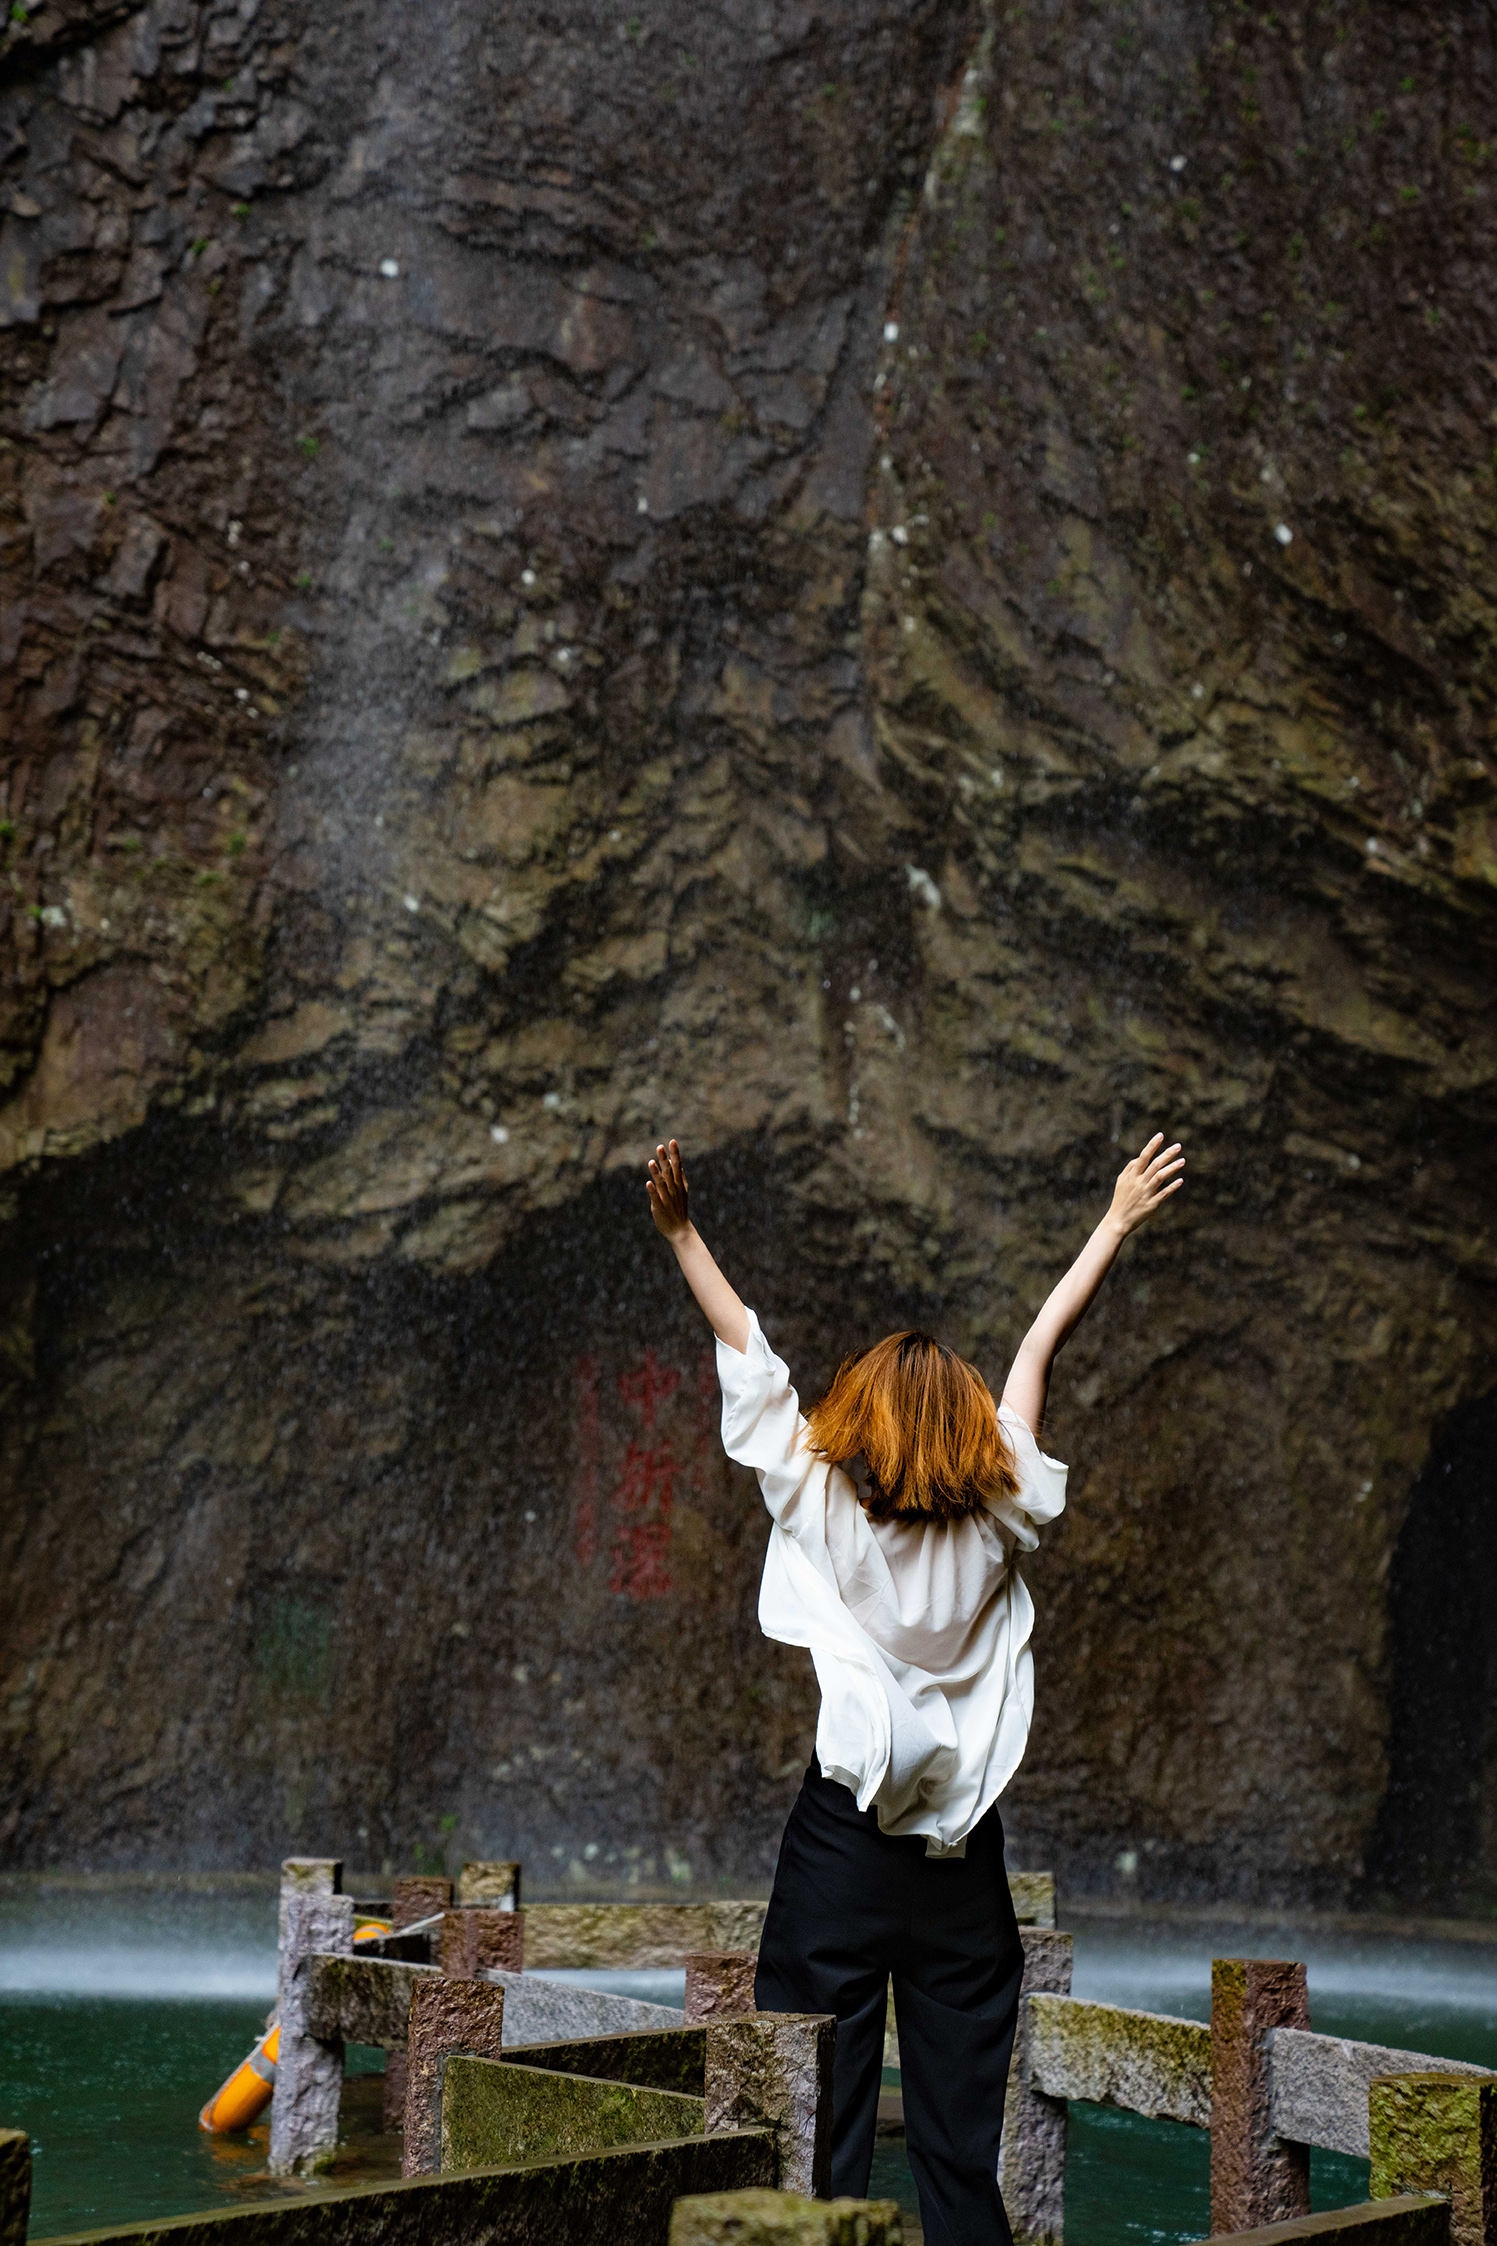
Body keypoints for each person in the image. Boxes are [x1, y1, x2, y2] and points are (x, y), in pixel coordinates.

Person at [645, 1130, 1185, 2246]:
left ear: (864, 1416)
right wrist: (1116, 1222)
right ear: (965, 1424)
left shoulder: (823, 1500)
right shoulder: (1002, 1517)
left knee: (815, 2130)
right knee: (957, 2150)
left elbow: (751, 1354)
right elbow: (1042, 1342)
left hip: (841, 1850)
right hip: (960, 1866)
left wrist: (685, 1232)